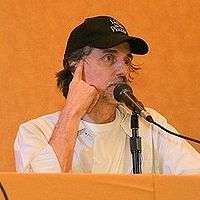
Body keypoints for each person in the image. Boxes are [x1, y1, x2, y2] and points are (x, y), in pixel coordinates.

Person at [14, 16, 200, 174]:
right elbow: (42, 191)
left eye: (126, 60)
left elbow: (194, 179)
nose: (123, 71)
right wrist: (72, 113)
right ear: (75, 65)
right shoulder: (35, 132)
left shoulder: (149, 125)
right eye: (109, 58)